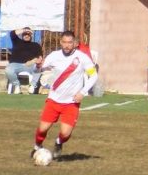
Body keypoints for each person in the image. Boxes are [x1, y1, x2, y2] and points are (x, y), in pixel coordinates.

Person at [31, 30, 98, 160]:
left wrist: (82, 92)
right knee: (43, 128)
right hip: (54, 100)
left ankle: (58, 142)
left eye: (70, 42)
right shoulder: (54, 56)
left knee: (65, 133)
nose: (67, 45)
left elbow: (94, 76)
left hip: (71, 102)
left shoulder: (82, 58)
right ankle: (37, 146)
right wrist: (37, 65)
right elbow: (37, 69)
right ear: (61, 42)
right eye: (64, 42)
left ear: (75, 43)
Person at [5, 27, 43, 94]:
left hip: (31, 65)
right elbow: (12, 33)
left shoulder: (36, 45)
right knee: (8, 70)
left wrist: (33, 61)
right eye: (25, 34)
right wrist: (25, 30)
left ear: (31, 35)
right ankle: (17, 85)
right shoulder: (17, 42)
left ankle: (33, 85)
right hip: (16, 65)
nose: (26, 35)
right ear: (22, 34)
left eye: (28, 34)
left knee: (39, 66)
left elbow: (40, 57)